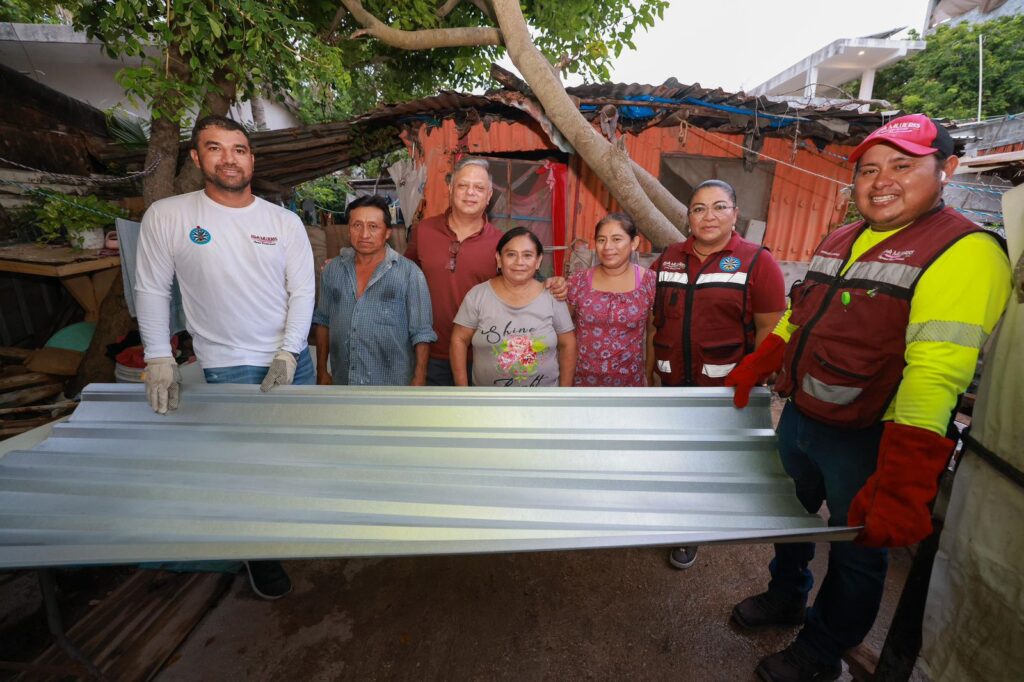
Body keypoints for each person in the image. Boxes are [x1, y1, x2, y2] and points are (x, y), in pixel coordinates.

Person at [725, 114, 1012, 682]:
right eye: (870, 169)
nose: (882, 181)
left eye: (903, 167)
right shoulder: (842, 237)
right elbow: (798, 316)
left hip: (873, 435)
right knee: (793, 516)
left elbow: (935, 373)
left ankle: (823, 647)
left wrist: (905, 478)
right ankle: (787, 595)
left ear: (946, 170)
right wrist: (762, 360)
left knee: (858, 546)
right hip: (802, 414)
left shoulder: (964, 251)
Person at [135, 114, 315, 600]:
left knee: (293, 459)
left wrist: (290, 352)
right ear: (197, 158)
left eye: (238, 149)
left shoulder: (283, 222)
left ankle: (290, 531)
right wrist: (158, 356)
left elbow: (302, 292)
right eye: (215, 148)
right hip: (228, 364)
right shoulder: (170, 216)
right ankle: (260, 554)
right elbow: (151, 289)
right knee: (245, 468)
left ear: (251, 159)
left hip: (291, 360)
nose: (228, 158)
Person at [649, 179, 787, 571]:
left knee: (709, 462)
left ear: (735, 214)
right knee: (674, 456)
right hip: (672, 382)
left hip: (724, 387)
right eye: (698, 208)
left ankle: (691, 530)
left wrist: (756, 377)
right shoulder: (669, 258)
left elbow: (770, 329)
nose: (708, 216)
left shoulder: (757, 262)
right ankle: (670, 515)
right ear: (688, 216)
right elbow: (650, 316)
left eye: (719, 207)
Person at [406, 157, 567, 385]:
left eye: (479, 188)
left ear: (489, 196)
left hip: (485, 356)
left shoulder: (501, 244)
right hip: (427, 353)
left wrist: (553, 283)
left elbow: (525, 281)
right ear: (451, 189)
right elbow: (401, 276)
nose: (470, 193)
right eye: (463, 186)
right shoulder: (424, 231)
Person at [313, 195, 436, 386]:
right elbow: (323, 322)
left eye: (373, 226)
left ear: (387, 232)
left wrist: (419, 378)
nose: (364, 235)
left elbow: (422, 332)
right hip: (344, 382)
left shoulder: (409, 273)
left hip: (393, 385)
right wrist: (321, 371)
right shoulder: (333, 270)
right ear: (348, 230)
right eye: (357, 225)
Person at [450, 227, 576, 387]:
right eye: (511, 254)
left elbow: (568, 344)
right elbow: (459, 339)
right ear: (499, 259)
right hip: (488, 402)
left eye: (527, 255)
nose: (519, 262)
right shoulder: (478, 295)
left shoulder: (553, 295)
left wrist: (564, 393)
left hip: (544, 402)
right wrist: (462, 390)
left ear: (538, 261)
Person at [566, 213, 656, 386]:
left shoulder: (649, 282)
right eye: (601, 240)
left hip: (629, 383)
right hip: (582, 382)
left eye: (616, 239)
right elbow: (563, 331)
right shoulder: (578, 282)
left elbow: (652, 332)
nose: (607, 247)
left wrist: (649, 374)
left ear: (634, 243)